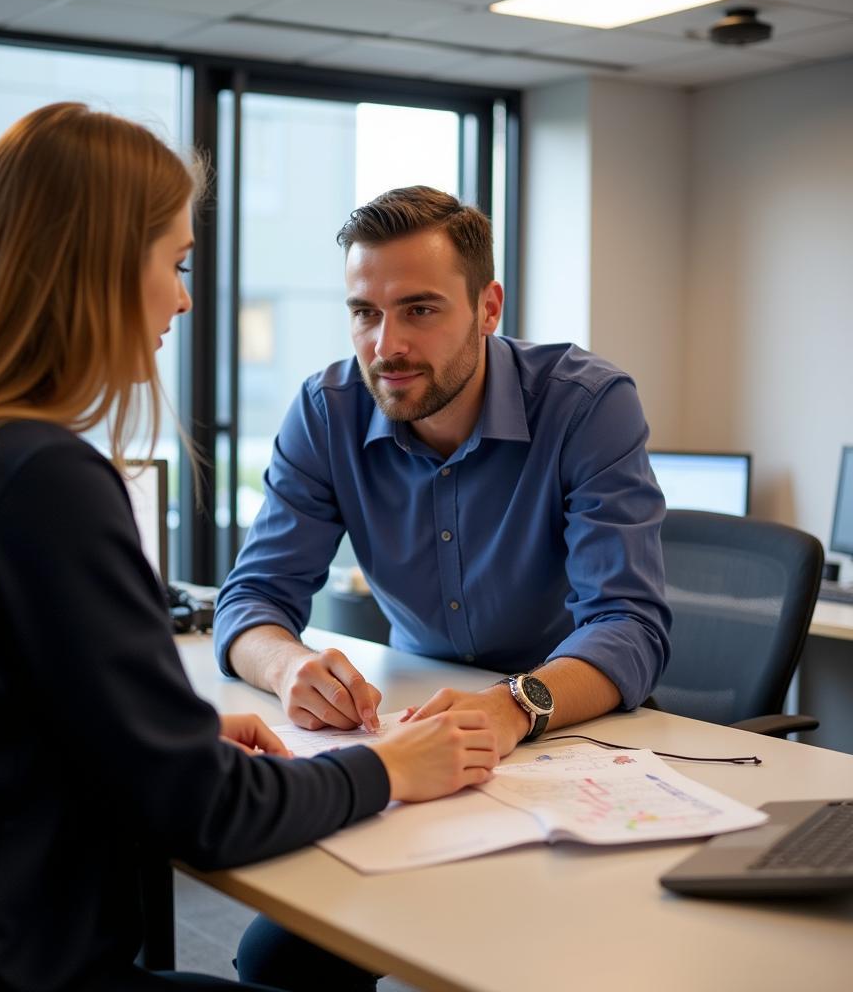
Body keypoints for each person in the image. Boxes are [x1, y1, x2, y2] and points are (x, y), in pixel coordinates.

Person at [0, 106, 501, 992]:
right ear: (100, 269)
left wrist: (146, 737)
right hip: (10, 966)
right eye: (175, 264)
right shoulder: (42, 480)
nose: (184, 298)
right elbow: (206, 815)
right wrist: (383, 770)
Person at [217, 185, 672, 989]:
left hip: (567, 738)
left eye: (420, 309)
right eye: (364, 312)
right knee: (277, 959)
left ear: (488, 306)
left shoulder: (587, 406)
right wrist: (288, 668)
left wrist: (511, 707)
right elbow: (252, 600)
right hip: (415, 738)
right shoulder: (327, 411)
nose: (385, 344)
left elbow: (628, 623)